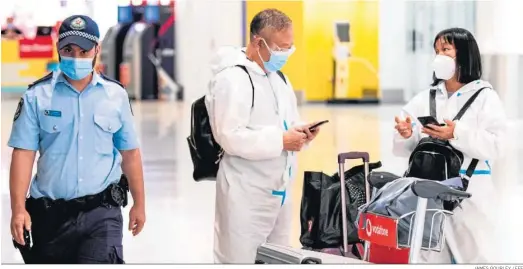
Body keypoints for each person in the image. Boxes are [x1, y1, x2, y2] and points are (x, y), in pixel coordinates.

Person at [8, 15, 146, 264]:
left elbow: (130, 153)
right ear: (58, 49)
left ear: (97, 50)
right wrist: (18, 209)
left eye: (84, 51)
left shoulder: (115, 95)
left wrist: (140, 203)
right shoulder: (37, 96)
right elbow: (23, 154)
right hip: (49, 217)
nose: (76, 57)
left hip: (101, 213)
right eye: (68, 50)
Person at [206, 8, 321, 263]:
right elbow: (229, 136)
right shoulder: (232, 78)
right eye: (281, 48)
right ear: (258, 42)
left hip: (278, 190)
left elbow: (285, 121)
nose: (286, 54)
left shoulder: (278, 77)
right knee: (239, 258)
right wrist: (281, 140)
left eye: (290, 47)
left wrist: (301, 132)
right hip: (245, 193)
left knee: (279, 258)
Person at [393, 28, 508, 263]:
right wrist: (406, 133)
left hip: (471, 195)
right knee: (430, 257)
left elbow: (497, 145)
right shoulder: (428, 97)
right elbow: (408, 144)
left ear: (464, 55)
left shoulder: (485, 97)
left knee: (476, 257)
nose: (440, 56)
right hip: (429, 197)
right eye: (436, 51)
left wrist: (456, 133)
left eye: (446, 49)